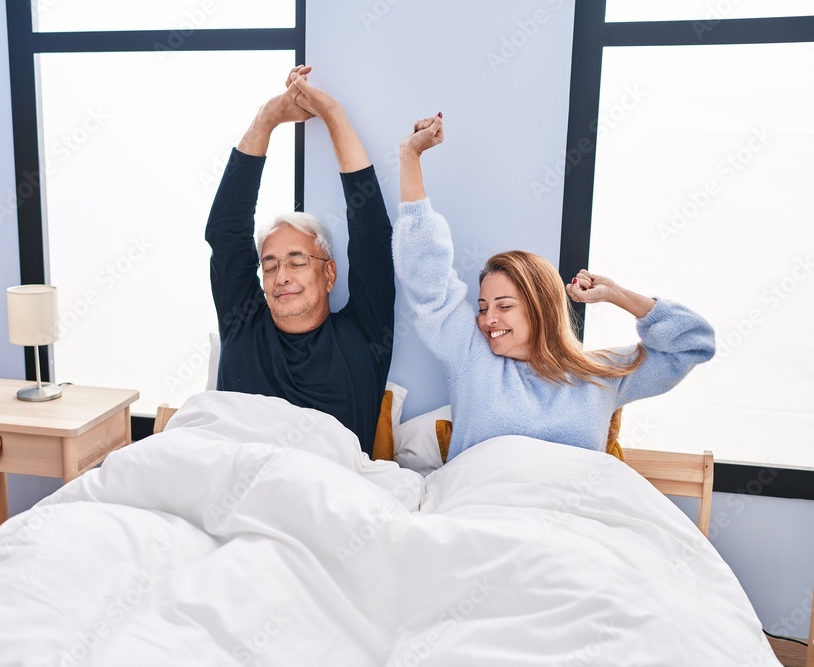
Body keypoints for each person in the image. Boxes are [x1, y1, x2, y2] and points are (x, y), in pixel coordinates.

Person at [392, 114, 715, 462]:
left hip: (570, 509)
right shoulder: (472, 357)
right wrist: (410, 156)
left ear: (540, 307)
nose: (487, 320)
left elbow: (693, 344)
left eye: (503, 306)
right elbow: (428, 275)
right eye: (483, 307)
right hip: (483, 505)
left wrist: (616, 294)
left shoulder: (598, 375)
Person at [205, 67, 394, 456]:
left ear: (329, 273)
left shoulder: (363, 335)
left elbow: (371, 235)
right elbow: (226, 230)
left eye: (296, 261)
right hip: (230, 486)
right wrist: (267, 119)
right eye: (270, 265)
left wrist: (332, 114)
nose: (281, 275)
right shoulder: (242, 325)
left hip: (321, 496)